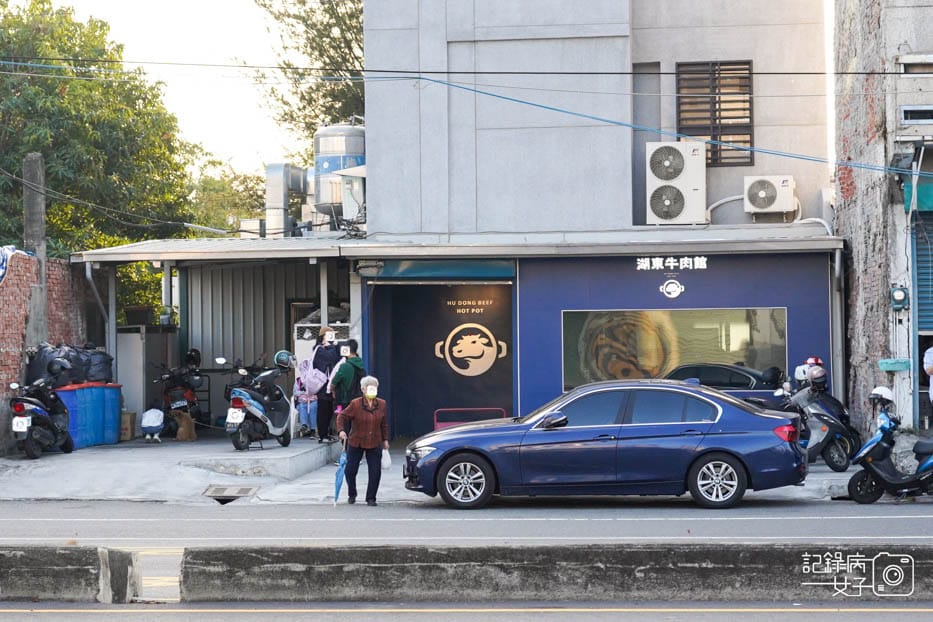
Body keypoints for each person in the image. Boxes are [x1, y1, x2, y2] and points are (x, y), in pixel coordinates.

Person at [336, 376, 389, 506]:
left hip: (375, 441)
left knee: (375, 471)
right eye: (369, 387)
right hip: (356, 441)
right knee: (350, 470)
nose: (372, 390)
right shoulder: (355, 404)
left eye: (374, 387)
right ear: (363, 389)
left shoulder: (382, 404)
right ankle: (352, 494)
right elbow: (341, 416)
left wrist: (385, 439)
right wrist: (341, 431)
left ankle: (371, 498)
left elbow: (384, 424)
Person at [330, 339, 366, 433]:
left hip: (345, 401)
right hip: (359, 400)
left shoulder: (344, 366)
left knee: (345, 426)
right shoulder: (361, 364)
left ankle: (346, 446)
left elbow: (333, 383)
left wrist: (333, 391)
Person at [312, 326, 341, 442]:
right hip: (322, 385)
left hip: (330, 385)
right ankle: (322, 434)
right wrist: (331, 347)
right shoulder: (319, 349)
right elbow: (332, 358)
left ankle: (327, 433)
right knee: (323, 409)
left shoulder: (330, 348)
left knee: (329, 410)